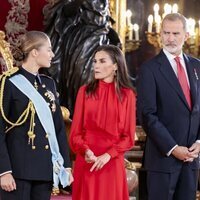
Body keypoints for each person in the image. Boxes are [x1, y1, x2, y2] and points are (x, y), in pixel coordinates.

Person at [0, 31, 73, 200]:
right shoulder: (9, 82)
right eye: (48, 49)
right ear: (34, 52)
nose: (52, 54)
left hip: (44, 169)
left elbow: (58, 129)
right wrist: (4, 171)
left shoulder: (49, 84)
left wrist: (66, 166)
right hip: (17, 171)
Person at [137, 13, 200, 200]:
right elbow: (147, 115)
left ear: (186, 35)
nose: (170, 38)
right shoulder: (149, 69)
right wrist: (173, 148)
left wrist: (198, 143)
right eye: (166, 33)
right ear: (160, 34)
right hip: (162, 162)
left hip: (191, 161)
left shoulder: (198, 67)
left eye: (175, 33)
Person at [70, 44, 136, 200]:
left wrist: (108, 155)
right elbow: (75, 133)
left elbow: (128, 137)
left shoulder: (128, 95)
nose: (96, 66)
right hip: (88, 162)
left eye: (102, 61)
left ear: (115, 66)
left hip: (112, 164)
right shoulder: (84, 92)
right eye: (95, 61)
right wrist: (85, 150)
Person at [43, 0, 121, 116]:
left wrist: (113, 36)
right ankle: (78, 116)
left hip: (101, 38)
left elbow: (104, 20)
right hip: (81, 38)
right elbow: (65, 11)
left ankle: (98, 118)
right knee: (82, 75)